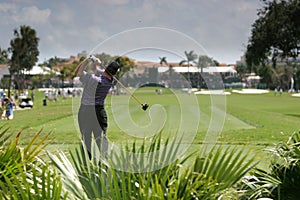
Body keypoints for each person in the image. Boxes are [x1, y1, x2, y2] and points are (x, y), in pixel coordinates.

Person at [75, 55, 120, 158]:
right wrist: (95, 64)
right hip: (99, 111)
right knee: (101, 138)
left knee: (86, 137)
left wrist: (87, 61)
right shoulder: (110, 80)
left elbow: (78, 72)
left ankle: (87, 162)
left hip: (86, 111)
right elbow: (97, 70)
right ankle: (105, 161)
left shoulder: (94, 80)